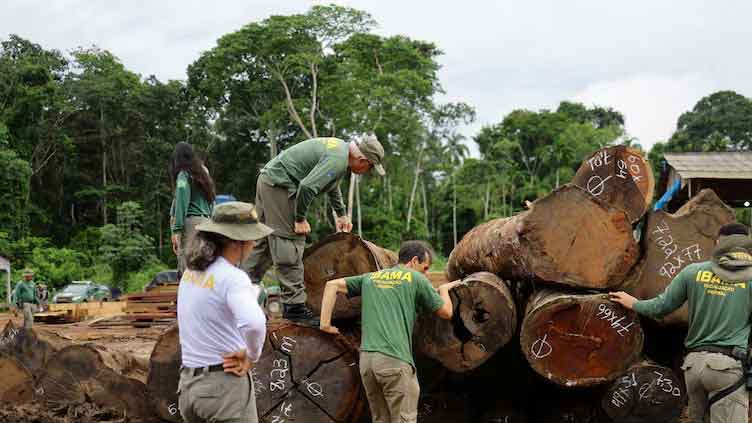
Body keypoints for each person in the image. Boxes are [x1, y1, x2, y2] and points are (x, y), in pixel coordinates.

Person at [611, 223, 752, 423]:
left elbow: (661, 307)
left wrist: (634, 303)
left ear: (717, 243)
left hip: (693, 368)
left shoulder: (693, 272)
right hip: (727, 369)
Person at [244, 135, 386, 325]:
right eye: (369, 167)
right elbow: (307, 186)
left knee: (265, 240)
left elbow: (332, 185)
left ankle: (242, 285)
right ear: (362, 160)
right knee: (290, 241)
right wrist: (300, 219)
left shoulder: (340, 152)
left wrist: (341, 213)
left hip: (270, 180)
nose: (367, 172)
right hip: (280, 185)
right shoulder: (337, 159)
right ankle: (294, 308)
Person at [319, 241, 462, 423]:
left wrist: (325, 325)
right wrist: (443, 290)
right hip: (394, 360)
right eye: (425, 268)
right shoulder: (415, 278)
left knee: (381, 419)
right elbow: (446, 312)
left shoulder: (372, 277)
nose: (426, 274)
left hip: (368, 362)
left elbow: (331, 286)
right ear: (414, 260)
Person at [177, 201, 272, 423]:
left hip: (189, 386)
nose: (254, 243)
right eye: (252, 238)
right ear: (238, 242)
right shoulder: (233, 277)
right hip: (223, 388)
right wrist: (251, 355)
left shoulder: (191, 273)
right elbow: (254, 323)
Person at [170, 142, 216, 274]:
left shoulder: (183, 175)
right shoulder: (204, 173)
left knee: (189, 268)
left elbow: (181, 203)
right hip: (207, 223)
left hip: (191, 225)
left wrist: (177, 231)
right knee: (206, 264)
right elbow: (212, 201)